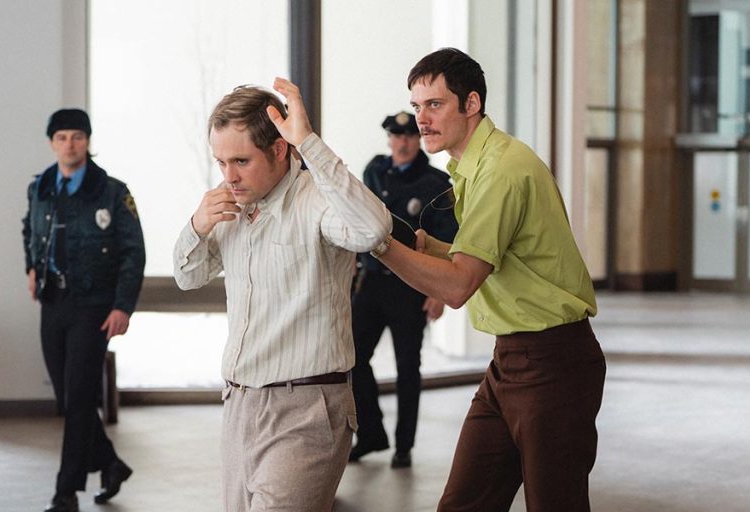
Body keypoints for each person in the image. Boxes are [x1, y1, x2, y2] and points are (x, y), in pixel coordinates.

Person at [374, 48, 606, 511]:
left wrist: (382, 247)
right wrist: (428, 247)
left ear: (472, 103)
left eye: (434, 104)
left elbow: (459, 286)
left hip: (552, 363)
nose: (422, 119)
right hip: (510, 362)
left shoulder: (501, 170)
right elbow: (493, 256)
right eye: (417, 106)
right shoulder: (474, 166)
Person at [172, 79, 390, 511]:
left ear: (278, 149)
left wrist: (308, 141)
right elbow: (187, 277)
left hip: (308, 408)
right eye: (221, 162)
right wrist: (197, 225)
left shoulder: (318, 201)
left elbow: (373, 230)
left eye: (240, 160)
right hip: (239, 405)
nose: (229, 176)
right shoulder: (230, 206)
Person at [22, 108, 145, 512]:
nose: (69, 144)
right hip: (53, 304)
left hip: (93, 307)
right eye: (61, 137)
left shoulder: (111, 191)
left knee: (78, 400)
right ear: (51, 142)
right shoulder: (40, 187)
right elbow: (30, 228)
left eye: (77, 136)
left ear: (88, 141)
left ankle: (65, 492)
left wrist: (123, 306)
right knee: (67, 395)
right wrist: (30, 267)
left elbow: (133, 253)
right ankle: (110, 464)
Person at [348, 111, 457, 469]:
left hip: (411, 285)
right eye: (396, 136)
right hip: (371, 280)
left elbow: (449, 241)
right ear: (390, 140)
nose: (403, 142)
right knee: (352, 359)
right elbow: (359, 220)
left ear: (417, 139)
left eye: (409, 135)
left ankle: (403, 446)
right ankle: (371, 433)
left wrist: (439, 292)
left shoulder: (436, 183)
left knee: (407, 367)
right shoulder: (374, 171)